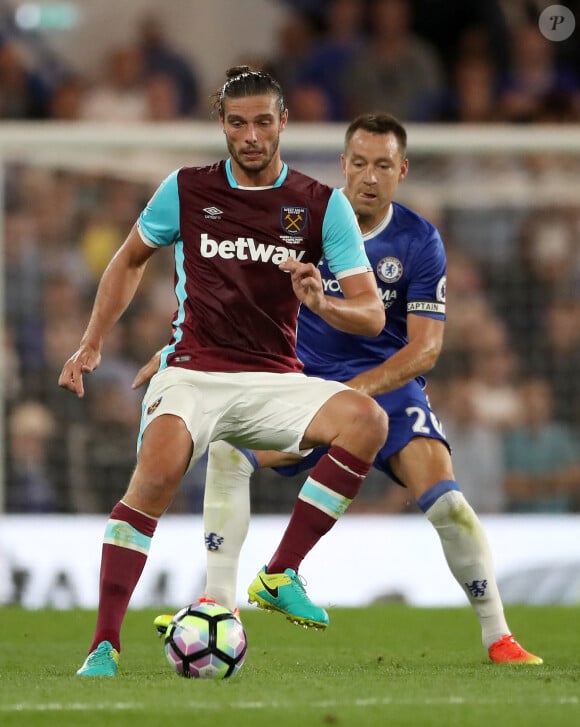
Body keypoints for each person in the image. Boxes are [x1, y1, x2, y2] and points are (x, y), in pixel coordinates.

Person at [148, 113, 542, 665]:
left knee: (449, 505)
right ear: (343, 165)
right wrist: (173, 351)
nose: (369, 177)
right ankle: (222, 604)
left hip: (387, 387)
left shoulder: (419, 240)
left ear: (401, 171)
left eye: (383, 165)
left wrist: (354, 395)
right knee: (228, 452)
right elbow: (231, 298)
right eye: (358, 163)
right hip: (298, 381)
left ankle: (498, 636)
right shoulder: (299, 220)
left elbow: (425, 350)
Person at [58, 66, 389, 677]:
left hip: (274, 379)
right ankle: (103, 644)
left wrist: (322, 303)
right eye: (239, 124)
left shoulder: (322, 206)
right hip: (193, 373)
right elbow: (129, 259)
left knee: (366, 419)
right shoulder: (186, 189)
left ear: (283, 122)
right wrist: (91, 343)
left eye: (264, 122)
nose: (252, 135)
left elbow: (371, 315)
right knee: (155, 474)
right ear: (223, 126)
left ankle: (281, 571)